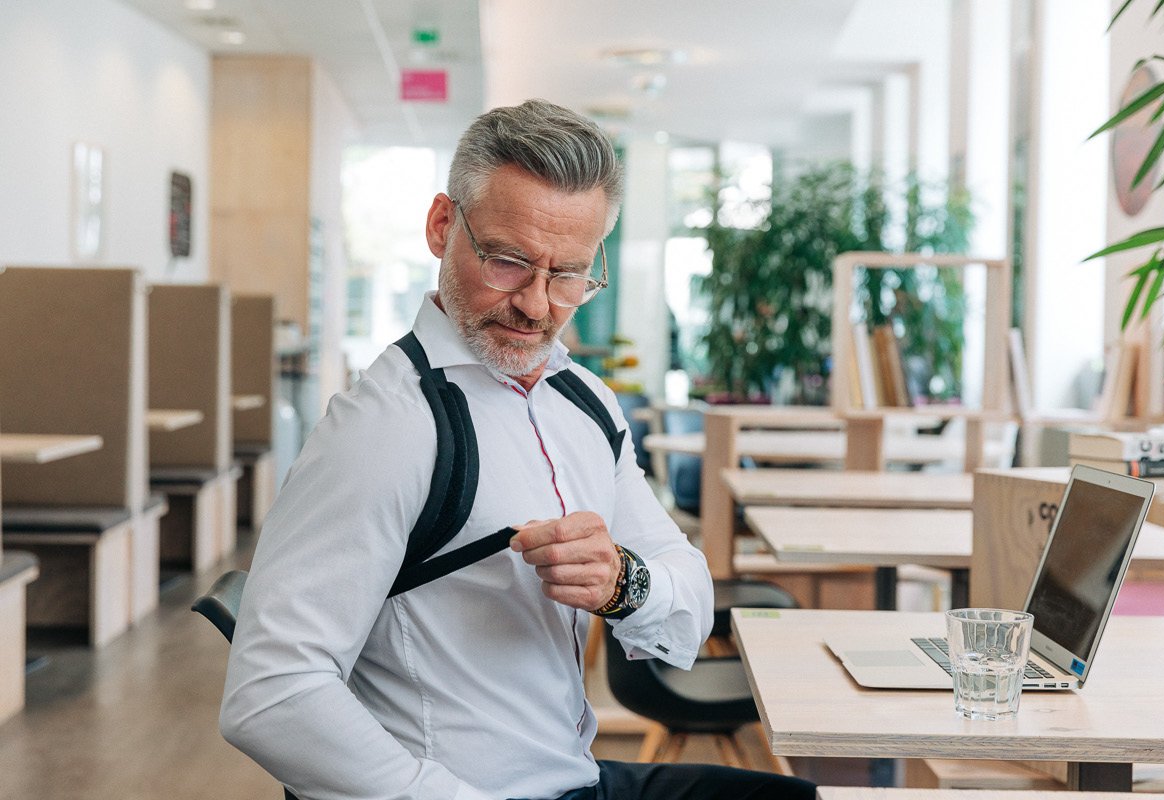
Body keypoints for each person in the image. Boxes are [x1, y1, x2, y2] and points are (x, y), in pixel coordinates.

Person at [220, 99, 815, 800]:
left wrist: (624, 582)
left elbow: (685, 599)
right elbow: (271, 694)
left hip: (575, 777)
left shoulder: (583, 399)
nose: (537, 305)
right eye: (508, 261)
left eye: (568, 275)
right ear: (443, 226)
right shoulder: (386, 427)